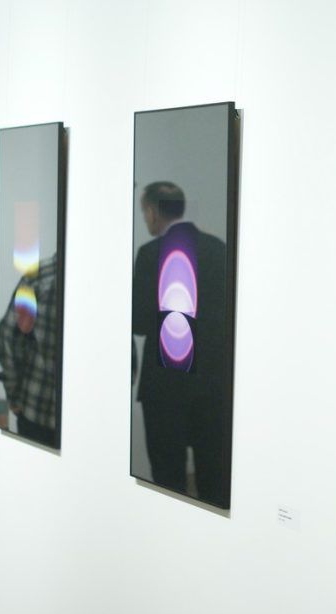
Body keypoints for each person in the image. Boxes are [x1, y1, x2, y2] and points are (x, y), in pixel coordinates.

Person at [132, 181, 230, 507]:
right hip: (212, 386)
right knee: (214, 480)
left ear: (151, 212)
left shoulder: (150, 254)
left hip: (164, 388)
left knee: (167, 481)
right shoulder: (218, 249)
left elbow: (139, 323)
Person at [0, 253, 60, 447]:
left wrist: (14, 393)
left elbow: (8, 335)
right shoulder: (101, 286)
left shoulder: (37, 276)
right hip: (85, 418)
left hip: (34, 407)